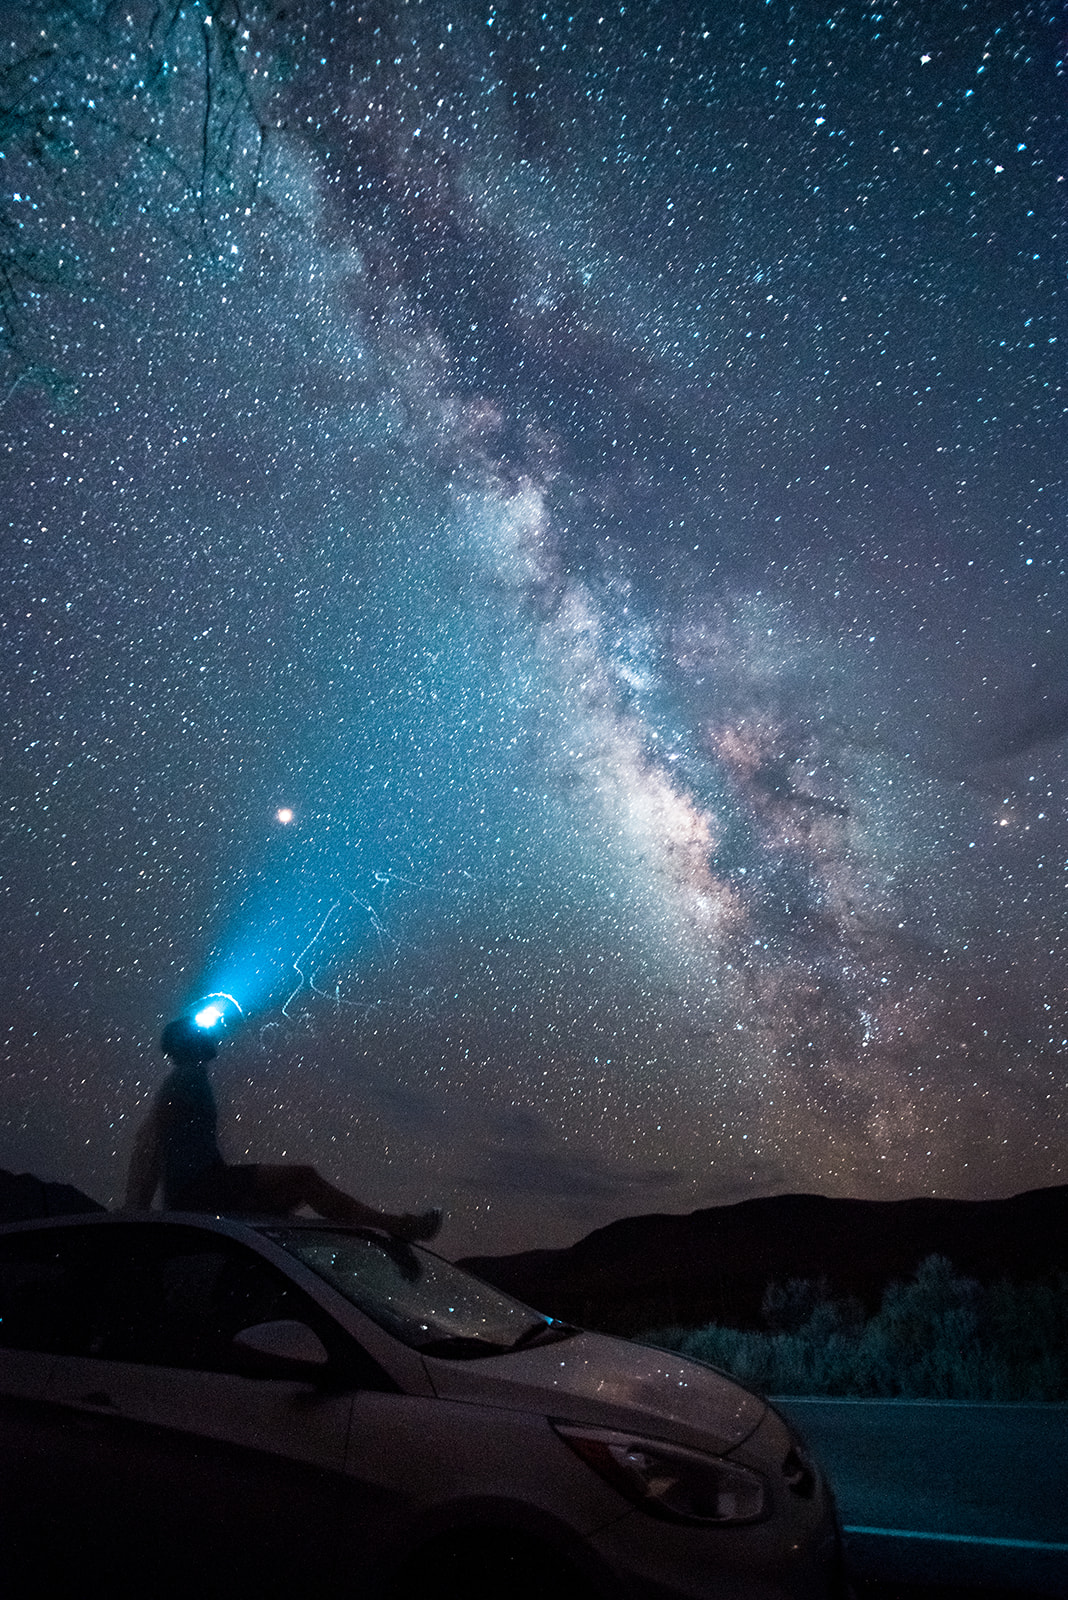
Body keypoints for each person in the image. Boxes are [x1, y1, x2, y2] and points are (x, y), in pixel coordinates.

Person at [125, 1014, 441, 1242]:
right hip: (201, 1187)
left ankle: (390, 1230)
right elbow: (154, 1141)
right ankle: (394, 1227)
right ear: (188, 1042)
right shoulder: (186, 1079)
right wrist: (137, 1211)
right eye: (199, 1030)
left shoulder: (189, 1079)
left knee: (290, 1199)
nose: (210, 1032)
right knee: (302, 1180)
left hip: (203, 1185)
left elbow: (158, 1140)